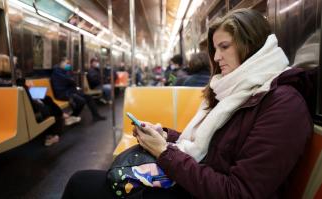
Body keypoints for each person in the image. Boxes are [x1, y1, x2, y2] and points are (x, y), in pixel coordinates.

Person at [61, 9, 316, 198]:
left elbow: (239, 192)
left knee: (81, 185)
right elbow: (213, 147)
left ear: (251, 46)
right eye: (215, 49)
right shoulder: (238, 90)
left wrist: (164, 152)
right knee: (89, 181)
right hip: (196, 183)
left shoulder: (283, 105)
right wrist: (166, 136)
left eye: (224, 47)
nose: (216, 57)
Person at [0, 54, 66, 146]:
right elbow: (31, 105)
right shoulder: (16, 83)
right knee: (53, 107)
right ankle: (53, 134)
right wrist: (31, 89)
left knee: (47, 100)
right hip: (21, 117)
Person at [51, 57, 106, 122]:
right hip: (63, 93)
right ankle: (72, 116)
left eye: (69, 63)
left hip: (70, 91)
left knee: (88, 97)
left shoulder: (64, 71)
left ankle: (96, 115)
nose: (69, 65)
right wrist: (70, 76)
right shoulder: (57, 72)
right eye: (67, 63)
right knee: (81, 101)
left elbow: (72, 80)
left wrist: (70, 75)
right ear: (61, 63)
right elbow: (70, 80)